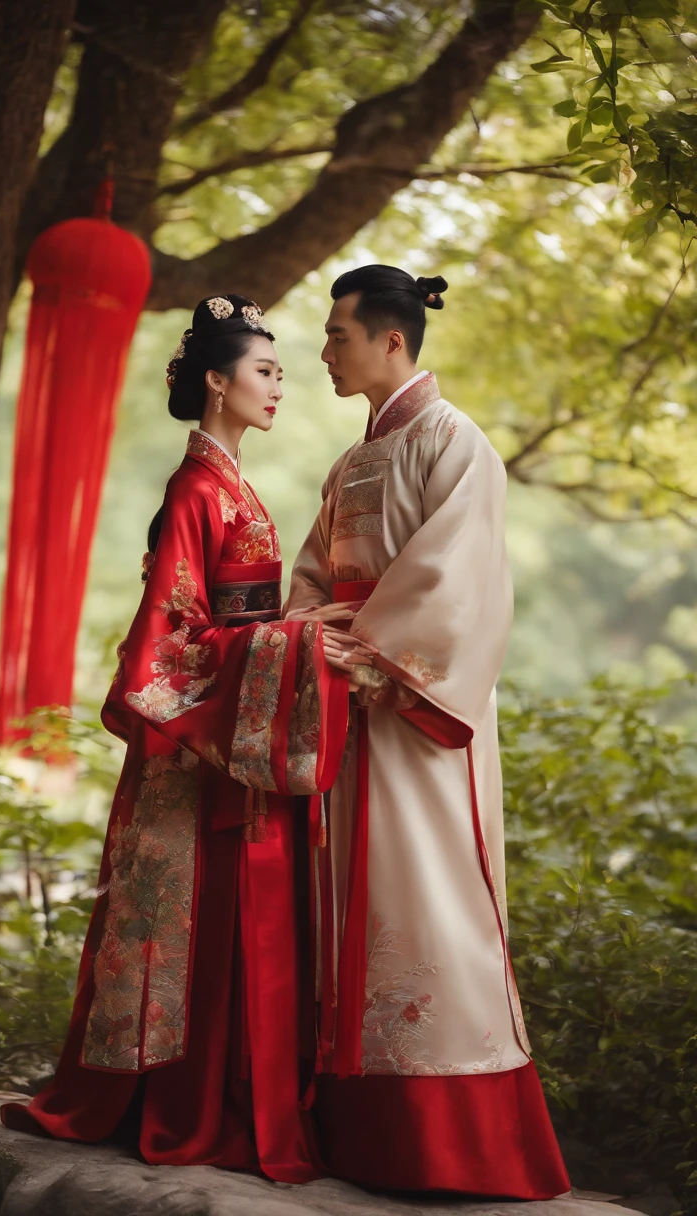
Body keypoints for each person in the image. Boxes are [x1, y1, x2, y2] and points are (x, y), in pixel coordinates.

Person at [1, 294, 355, 1183]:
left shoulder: (233, 481)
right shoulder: (198, 487)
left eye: (281, 372)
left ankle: (226, 1098)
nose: (281, 386)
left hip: (233, 728)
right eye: (265, 371)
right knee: (193, 921)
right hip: (196, 744)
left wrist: (294, 628)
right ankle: (179, 1102)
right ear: (216, 379)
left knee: (241, 920)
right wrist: (299, 638)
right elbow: (171, 639)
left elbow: (236, 619)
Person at [285, 265, 571, 1198]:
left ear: (391, 340)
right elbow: (313, 578)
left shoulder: (457, 443)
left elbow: (460, 586)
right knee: (354, 906)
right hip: (354, 703)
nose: (325, 352)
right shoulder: (352, 461)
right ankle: (361, 1136)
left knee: (432, 905)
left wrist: (364, 648)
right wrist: (309, 633)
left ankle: (458, 1145)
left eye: (337, 335)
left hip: (418, 709)